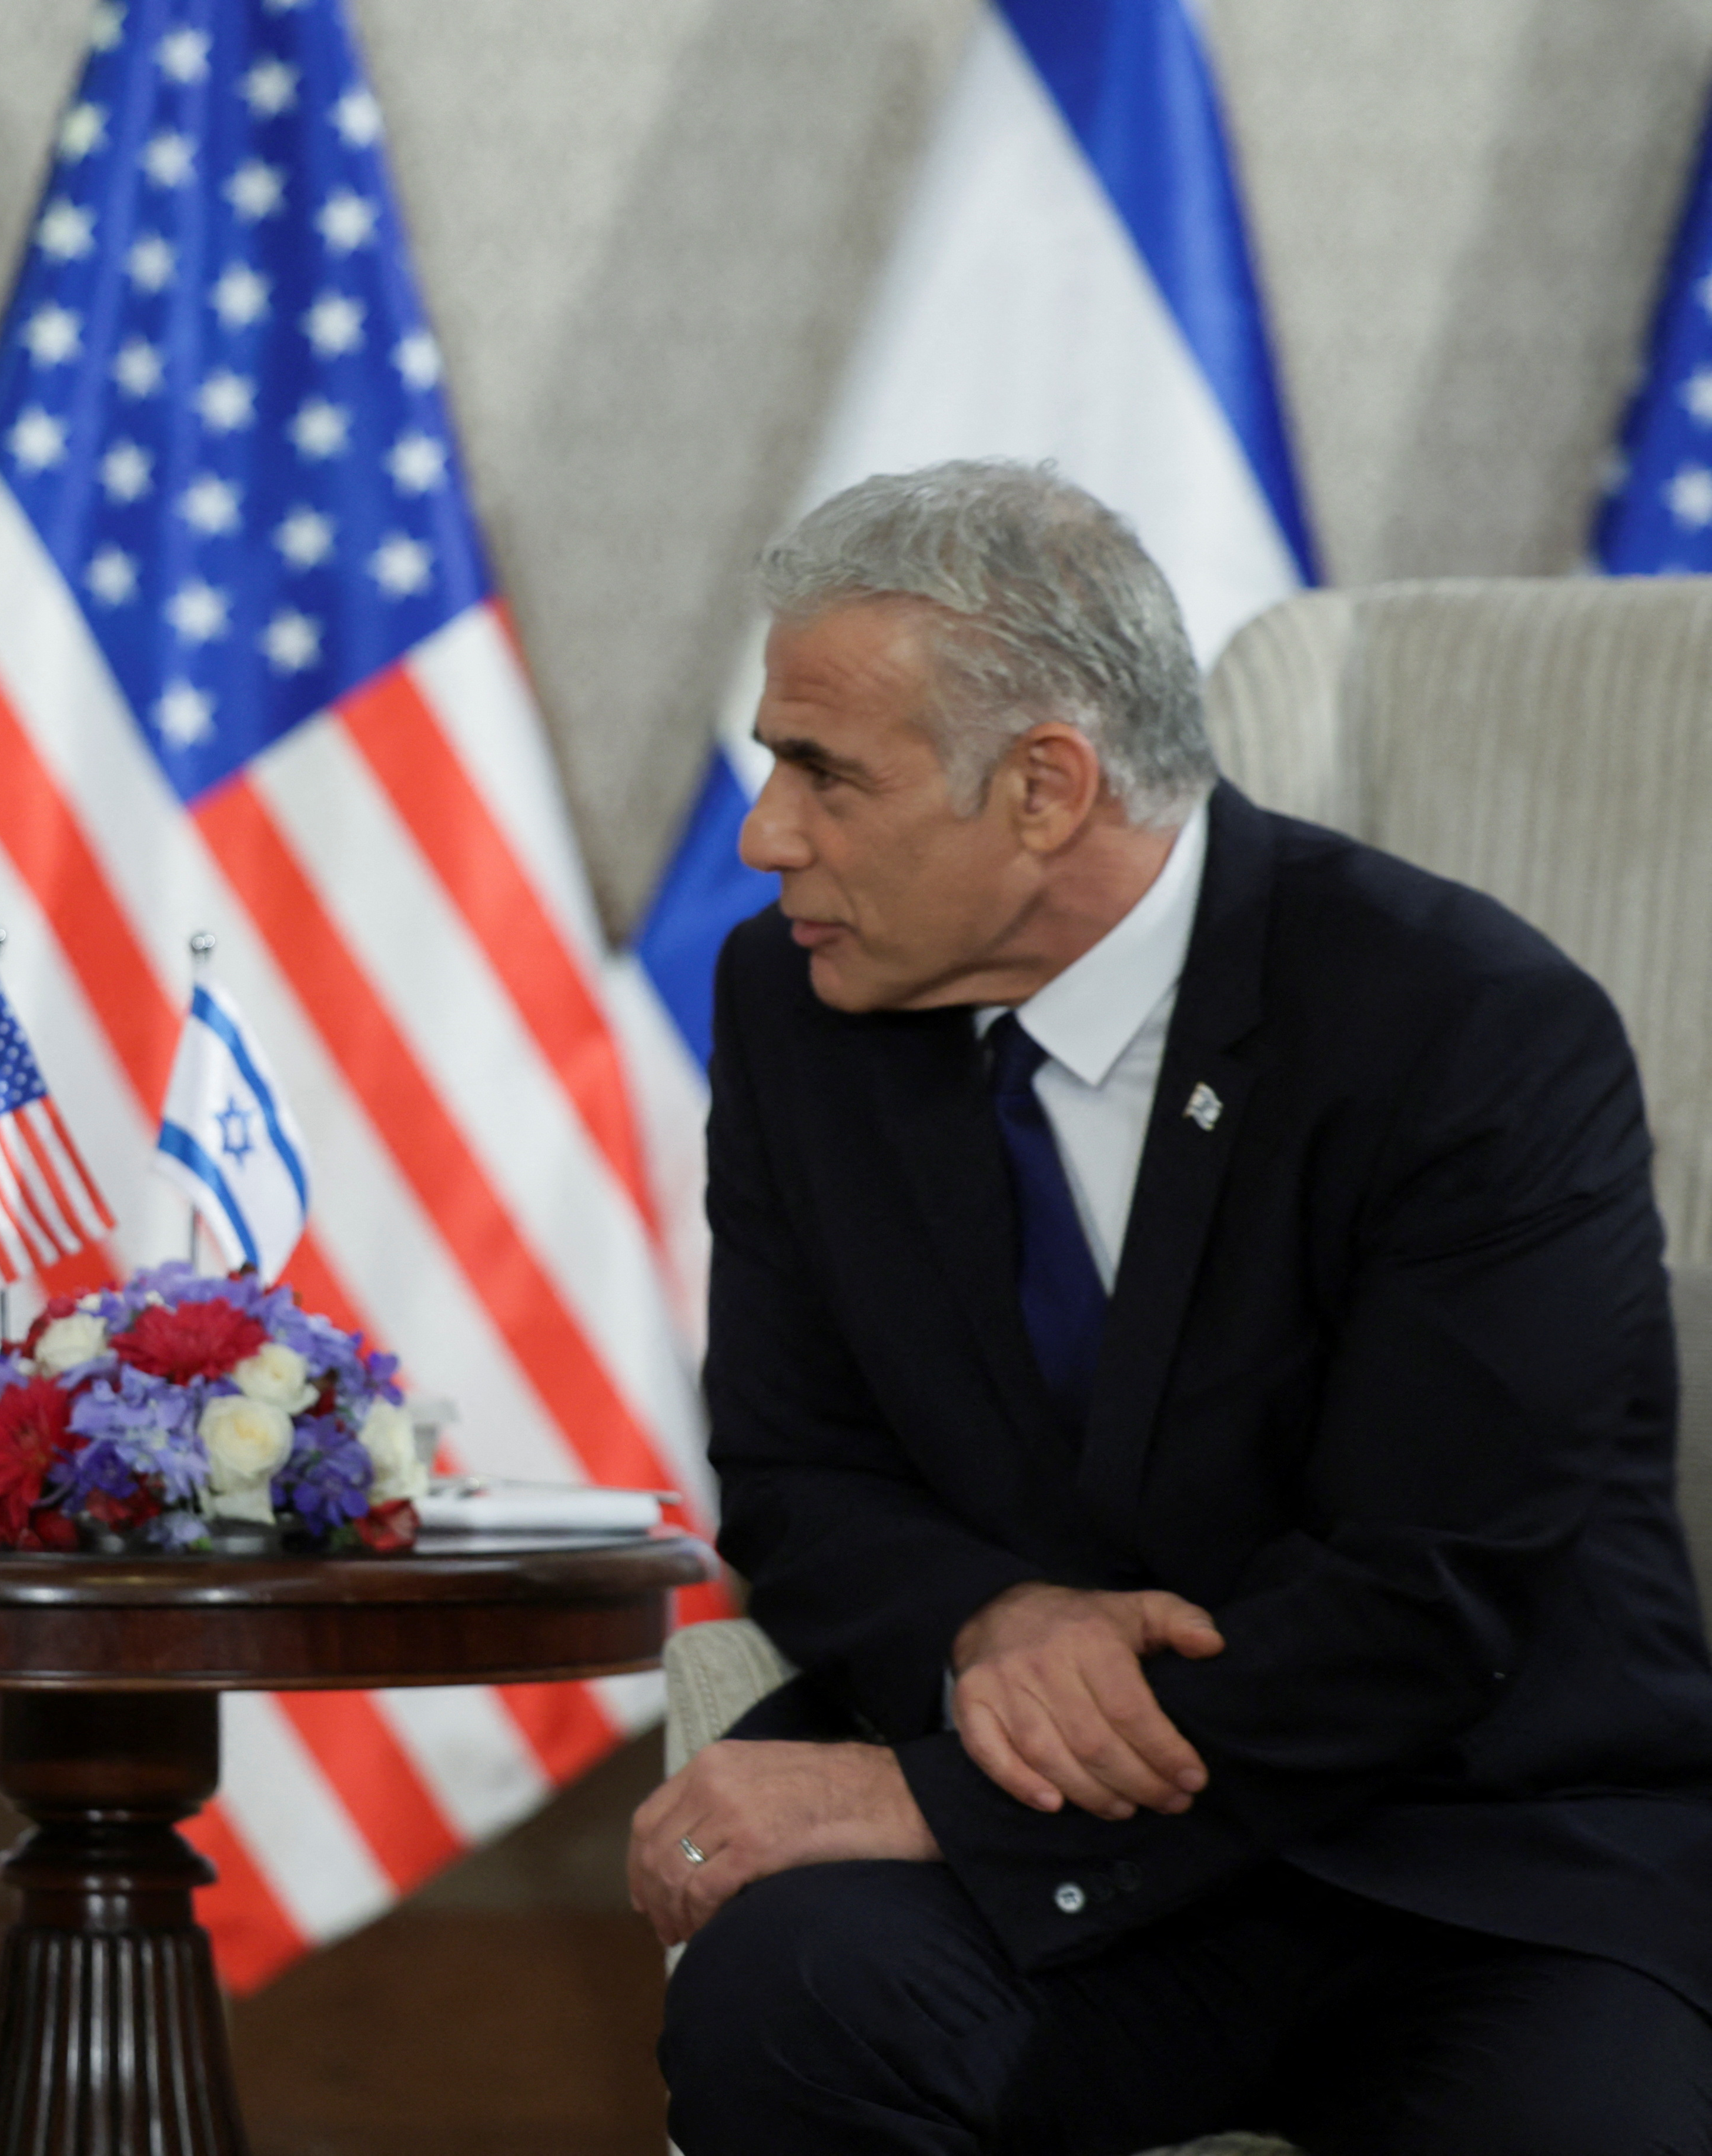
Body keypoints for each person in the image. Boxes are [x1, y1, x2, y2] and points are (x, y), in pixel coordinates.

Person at [633, 461, 1712, 2152]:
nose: (766, 834)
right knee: (790, 1992)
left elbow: (1432, 1587)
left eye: (822, 772)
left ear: (1044, 790)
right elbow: (792, 1462)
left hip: (1469, 1862)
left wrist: (926, 1792)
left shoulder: (1464, 1028)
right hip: (1078, 1907)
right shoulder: (795, 994)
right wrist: (995, 1621)